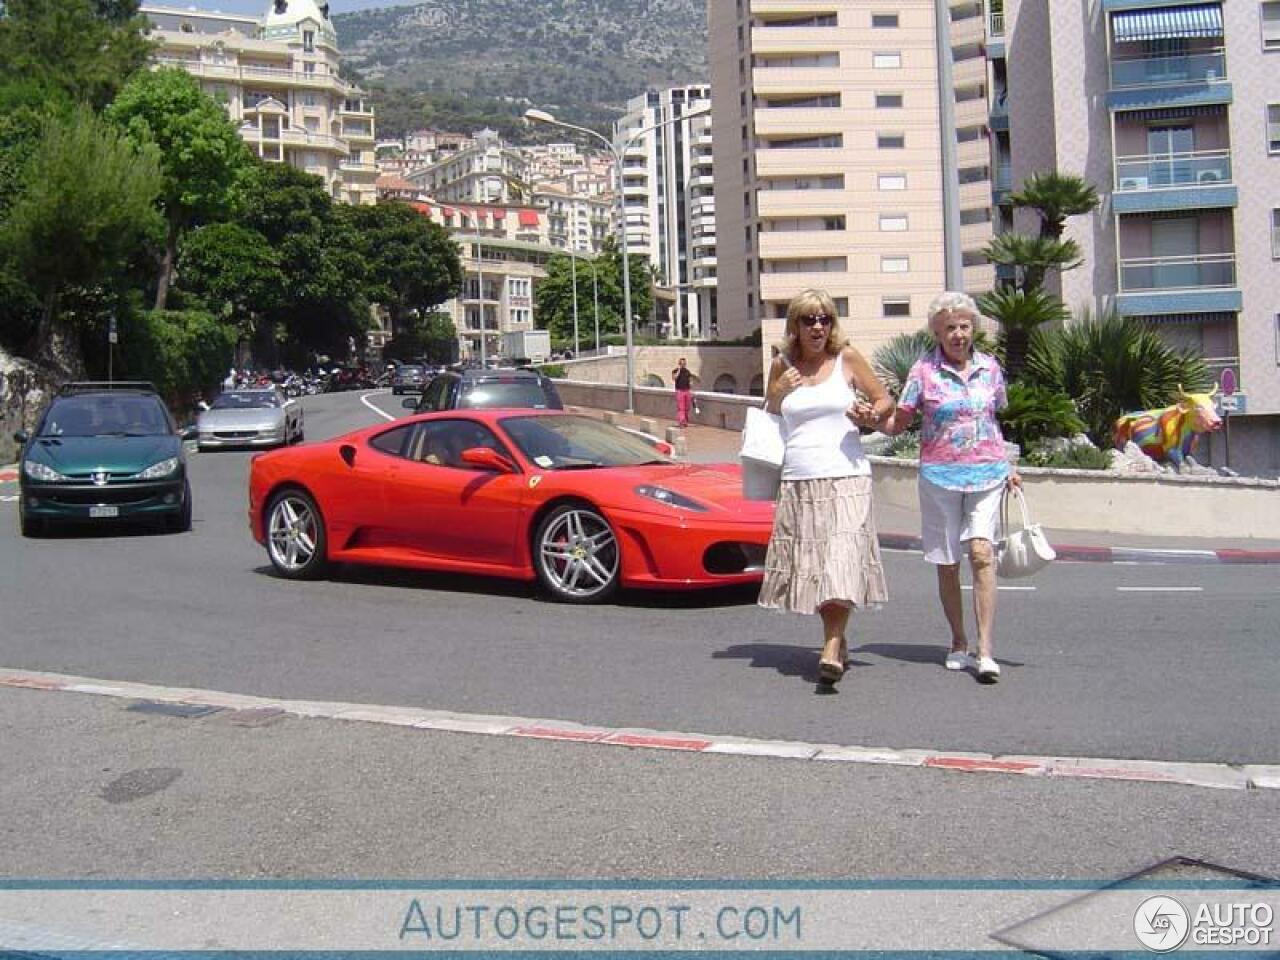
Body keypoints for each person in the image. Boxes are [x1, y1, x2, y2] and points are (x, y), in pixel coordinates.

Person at [874, 291, 1020, 684]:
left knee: (981, 552)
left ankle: (986, 651)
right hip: (939, 476)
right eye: (949, 327)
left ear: (973, 329)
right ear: (938, 332)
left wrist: (1010, 465)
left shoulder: (990, 368)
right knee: (947, 561)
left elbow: (993, 420)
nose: (958, 334)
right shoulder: (923, 371)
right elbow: (899, 422)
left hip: (987, 474)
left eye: (964, 326)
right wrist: (869, 420)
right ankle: (958, 640)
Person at [758, 288, 895, 685]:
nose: (818, 327)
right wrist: (777, 393)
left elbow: (883, 399)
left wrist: (870, 414)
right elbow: (769, 418)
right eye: (809, 320)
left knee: (840, 559)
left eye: (825, 319)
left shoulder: (846, 359)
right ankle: (836, 636)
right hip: (801, 478)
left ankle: (831, 646)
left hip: (848, 474)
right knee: (819, 567)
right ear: (795, 326)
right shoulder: (782, 366)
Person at [672, 357, 694, 427]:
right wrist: (679, 370)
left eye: (684, 363)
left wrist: (691, 389)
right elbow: (674, 378)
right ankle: (681, 422)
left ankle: (685, 422)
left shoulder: (687, 371)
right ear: (679, 364)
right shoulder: (675, 371)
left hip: (687, 391)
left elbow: (690, 381)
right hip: (679, 391)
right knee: (681, 408)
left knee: (687, 407)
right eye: (681, 363)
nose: (683, 365)